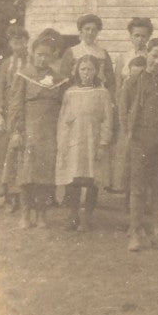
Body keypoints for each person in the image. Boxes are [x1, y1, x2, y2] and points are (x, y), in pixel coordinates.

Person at [120, 38, 158, 252]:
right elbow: (123, 111)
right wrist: (129, 135)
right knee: (137, 188)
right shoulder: (132, 82)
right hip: (140, 140)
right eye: (154, 56)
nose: (157, 62)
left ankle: (157, 233)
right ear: (146, 54)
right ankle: (136, 232)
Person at [8, 31, 69, 229]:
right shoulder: (23, 75)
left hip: (50, 131)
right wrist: (17, 131)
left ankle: (41, 213)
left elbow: (64, 107)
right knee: (27, 174)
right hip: (29, 129)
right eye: (39, 54)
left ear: (53, 56)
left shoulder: (59, 79)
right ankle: (25, 214)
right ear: (33, 54)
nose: (43, 58)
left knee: (45, 174)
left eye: (47, 55)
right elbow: (16, 105)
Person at [56, 54, 115, 231]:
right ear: (77, 71)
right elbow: (63, 119)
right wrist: (63, 143)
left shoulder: (102, 93)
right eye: (83, 69)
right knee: (73, 179)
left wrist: (103, 143)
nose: (86, 73)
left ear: (96, 71)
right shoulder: (70, 93)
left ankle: (87, 218)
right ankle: (73, 215)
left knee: (91, 180)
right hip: (74, 141)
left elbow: (107, 120)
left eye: (90, 69)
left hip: (93, 142)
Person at [108, 17, 154, 192]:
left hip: (146, 108)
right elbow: (118, 86)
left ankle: (142, 193)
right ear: (130, 36)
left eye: (143, 36)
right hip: (127, 107)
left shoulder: (152, 57)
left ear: (148, 37)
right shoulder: (123, 58)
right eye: (136, 35)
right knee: (126, 148)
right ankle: (126, 191)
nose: (140, 39)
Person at [0, 24, 29, 211]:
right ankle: (6, 193)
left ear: (26, 42)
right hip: (6, 113)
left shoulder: (31, 62)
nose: (17, 45)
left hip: (24, 113)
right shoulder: (6, 64)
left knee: (21, 153)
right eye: (14, 41)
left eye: (21, 41)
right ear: (10, 43)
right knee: (4, 154)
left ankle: (21, 194)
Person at [62, 13, 116, 95]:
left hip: (98, 93)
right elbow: (64, 78)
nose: (90, 32)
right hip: (76, 93)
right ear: (81, 31)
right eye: (87, 29)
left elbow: (110, 80)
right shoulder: (71, 51)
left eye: (94, 30)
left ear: (97, 32)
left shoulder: (103, 53)